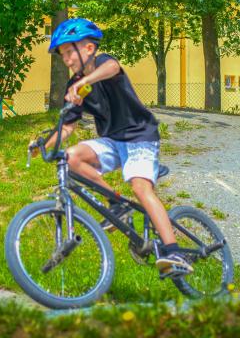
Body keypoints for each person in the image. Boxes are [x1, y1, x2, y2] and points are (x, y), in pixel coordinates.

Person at [38, 17, 193, 277]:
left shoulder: (102, 64)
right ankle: (118, 205)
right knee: (72, 157)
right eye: (62, 55)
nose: (66, 59)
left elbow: (113, 67)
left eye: (69, 52)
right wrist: (43, 145)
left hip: (140, 136)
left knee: (140, 187)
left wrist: (83, 83)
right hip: (112, 141)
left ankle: (174, 251)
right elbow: (67, 127)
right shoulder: (73, 86)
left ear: (89, 48)